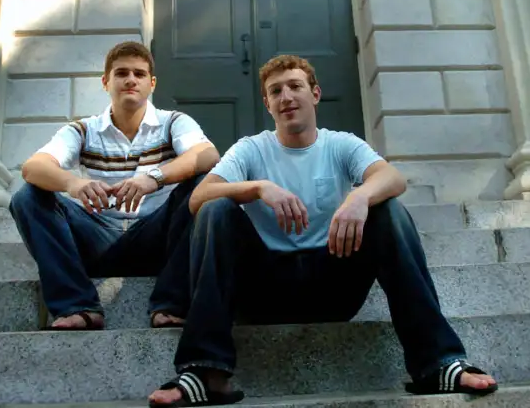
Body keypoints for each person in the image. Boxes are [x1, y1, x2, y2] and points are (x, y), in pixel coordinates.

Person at [147, 55, 498, 406]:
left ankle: (437, 363)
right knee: (216, 210)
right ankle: (207, 373)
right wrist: (257, 188)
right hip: (264, 291)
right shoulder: (251, 149)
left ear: (315, 94)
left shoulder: (341, 144)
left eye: (295, 86)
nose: (286, 97)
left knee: (388, 210)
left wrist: (360, 196)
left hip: (333, 286)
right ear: (267, 104)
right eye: (275, 91)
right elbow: (200, 196)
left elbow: (392, 178)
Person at [9, 41, 219, 330]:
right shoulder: (83, 129)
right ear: (106, 82)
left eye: (139, 74)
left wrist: (153, 178)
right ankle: (77, 306)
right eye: (121, 73)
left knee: (201, 184)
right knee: (28, 196)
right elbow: (33, 167)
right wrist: (73, 183)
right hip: (97, 239)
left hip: (156, 239)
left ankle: (171, 303)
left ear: (152, 83)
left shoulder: (173, 122)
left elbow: (208, 155)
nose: (131, 80)